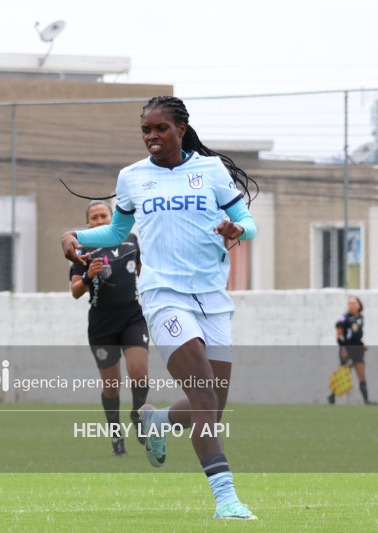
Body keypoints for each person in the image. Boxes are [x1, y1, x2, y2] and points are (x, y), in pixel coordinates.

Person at [61, 96, 258, 520]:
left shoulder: (210, 171)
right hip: (163, 295)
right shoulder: (132, 177)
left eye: (160, 128)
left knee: (211, 406)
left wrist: (237, 226)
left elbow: (249, 222)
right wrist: (74, 235)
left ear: (181, 129)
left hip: (212, 299)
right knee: (204, 396)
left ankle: (160, 421)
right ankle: (227, 499)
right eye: (146, 130)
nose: (152, 136)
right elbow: (116, 229)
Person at [69, 200, 149, 457]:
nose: (100, 221)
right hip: (102, 323)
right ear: (88, 224)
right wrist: (87, 276)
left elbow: (141, 272)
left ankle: (138, 415)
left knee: (140, 373)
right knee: (112, 386)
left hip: (131, 316)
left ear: (113, 218)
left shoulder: (131, 240)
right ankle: (116, 435)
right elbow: (75, 292)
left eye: (104, 215)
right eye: (94, 218)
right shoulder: (83, 249)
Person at [328, 296, 375, 405]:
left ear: (359, 305)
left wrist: (362, 344)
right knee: (344, 374)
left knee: (361, 374)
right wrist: (343, 348)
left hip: (358, 350)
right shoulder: (344, 318)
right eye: (349, 303)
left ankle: (366, 400)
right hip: (347, 350)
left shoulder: (360, 318)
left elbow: (356, 335)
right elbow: (339, 336)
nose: (351, 305)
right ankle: (332, 396)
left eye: (353, 303)